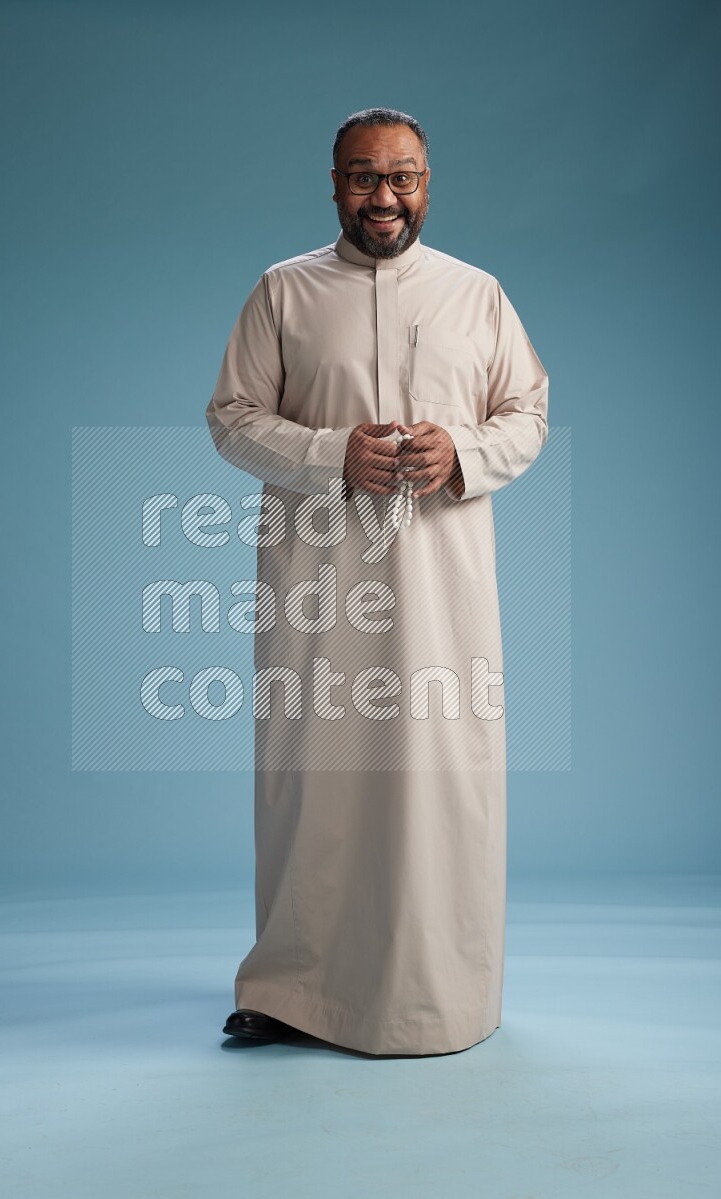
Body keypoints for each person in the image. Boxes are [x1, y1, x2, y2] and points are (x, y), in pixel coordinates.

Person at [206, 107, 549, 1056]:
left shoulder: (477, 294)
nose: (384, 196)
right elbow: (232, 417)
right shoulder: (284, 290)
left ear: (428, 185)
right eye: (364, 177)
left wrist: (462, 449)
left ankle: (443, 993)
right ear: (335, 185)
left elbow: (527, 413)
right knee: (313, 783)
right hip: (317, 585)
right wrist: (332, 454)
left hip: (442, 592)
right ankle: (290, 989)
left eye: (402, 177)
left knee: (440, 783)